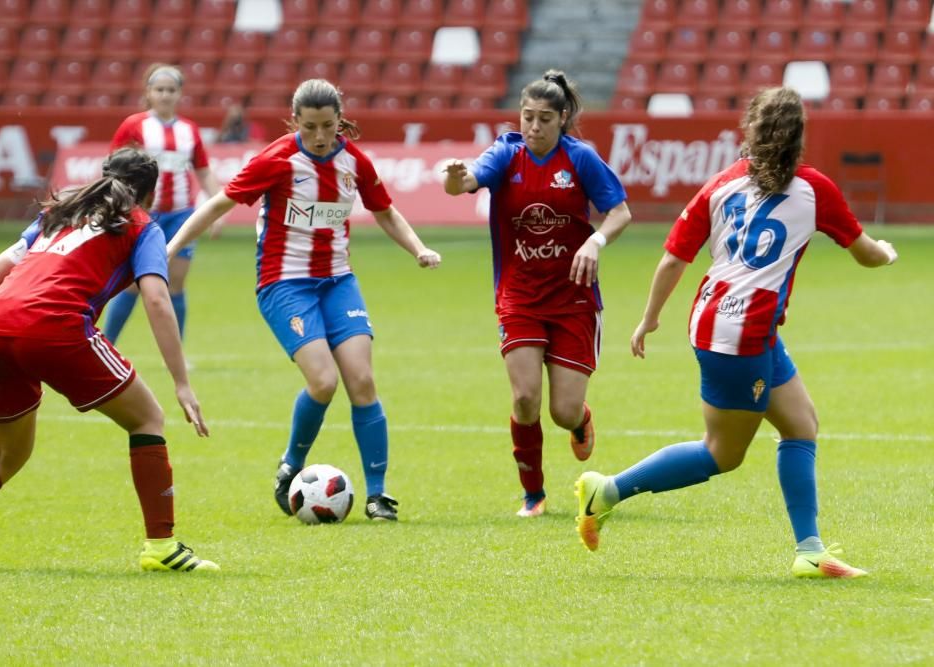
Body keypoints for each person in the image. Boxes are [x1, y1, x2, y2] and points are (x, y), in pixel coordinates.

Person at [574, 87, 899, 578]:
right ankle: (607, 490)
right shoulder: (815, 190)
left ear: (751, 130)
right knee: (722, 453)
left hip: (725, 322)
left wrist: (650, 317)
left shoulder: (721, 184)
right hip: (739, 338)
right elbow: (866, 252)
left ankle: (810, 551)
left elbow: (673, 258)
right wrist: (888, 251)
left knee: (801, 424)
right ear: (798, 138)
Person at [167, 79, 441, 522]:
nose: (319, 136)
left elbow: (385, 211)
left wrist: (418, 248)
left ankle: (377, 495)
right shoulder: (277, 160)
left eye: (328, 127)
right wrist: (171, 247)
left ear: (339, 122)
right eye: (310, 126)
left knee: (362, 381)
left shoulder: (354, 162)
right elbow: (219, 204)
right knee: (323, 382)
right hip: (284, 284)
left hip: (338, 282)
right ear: (295, 121)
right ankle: (291, 465)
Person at [0, 148, 218, 573]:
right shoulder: (142, 225)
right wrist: (181, 382)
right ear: (151, 194)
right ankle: (161, 546)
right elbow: (158, 298)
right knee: (147, 419)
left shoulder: (59, 213)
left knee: (6, 455)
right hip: (56, 327)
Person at [442, 70, 632, 518]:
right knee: (525, 397)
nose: (533, 127)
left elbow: (620, 213)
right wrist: (454, 178)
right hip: (520, 295)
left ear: (562, 118)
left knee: (562, 411)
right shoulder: (506, 153)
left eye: (544, 119)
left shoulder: (581, 159)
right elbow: (465, 182)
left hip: (574, 298)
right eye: (527, 117)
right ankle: (534, 494)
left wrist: (595, 241)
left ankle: (580, 420)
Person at [103, 64, 226, 349]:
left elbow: (204, 171)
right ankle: (106, 344)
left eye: (171, 90)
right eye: (159, 89)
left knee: (176, 285)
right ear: (149, 92)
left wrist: (219, 210)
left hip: (182, 216)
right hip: (144, 215)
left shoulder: (189, 130)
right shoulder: (134, 126)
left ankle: (176, 352)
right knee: (132, 283)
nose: (165, 95)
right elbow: (113, 168)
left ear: (180, 94)